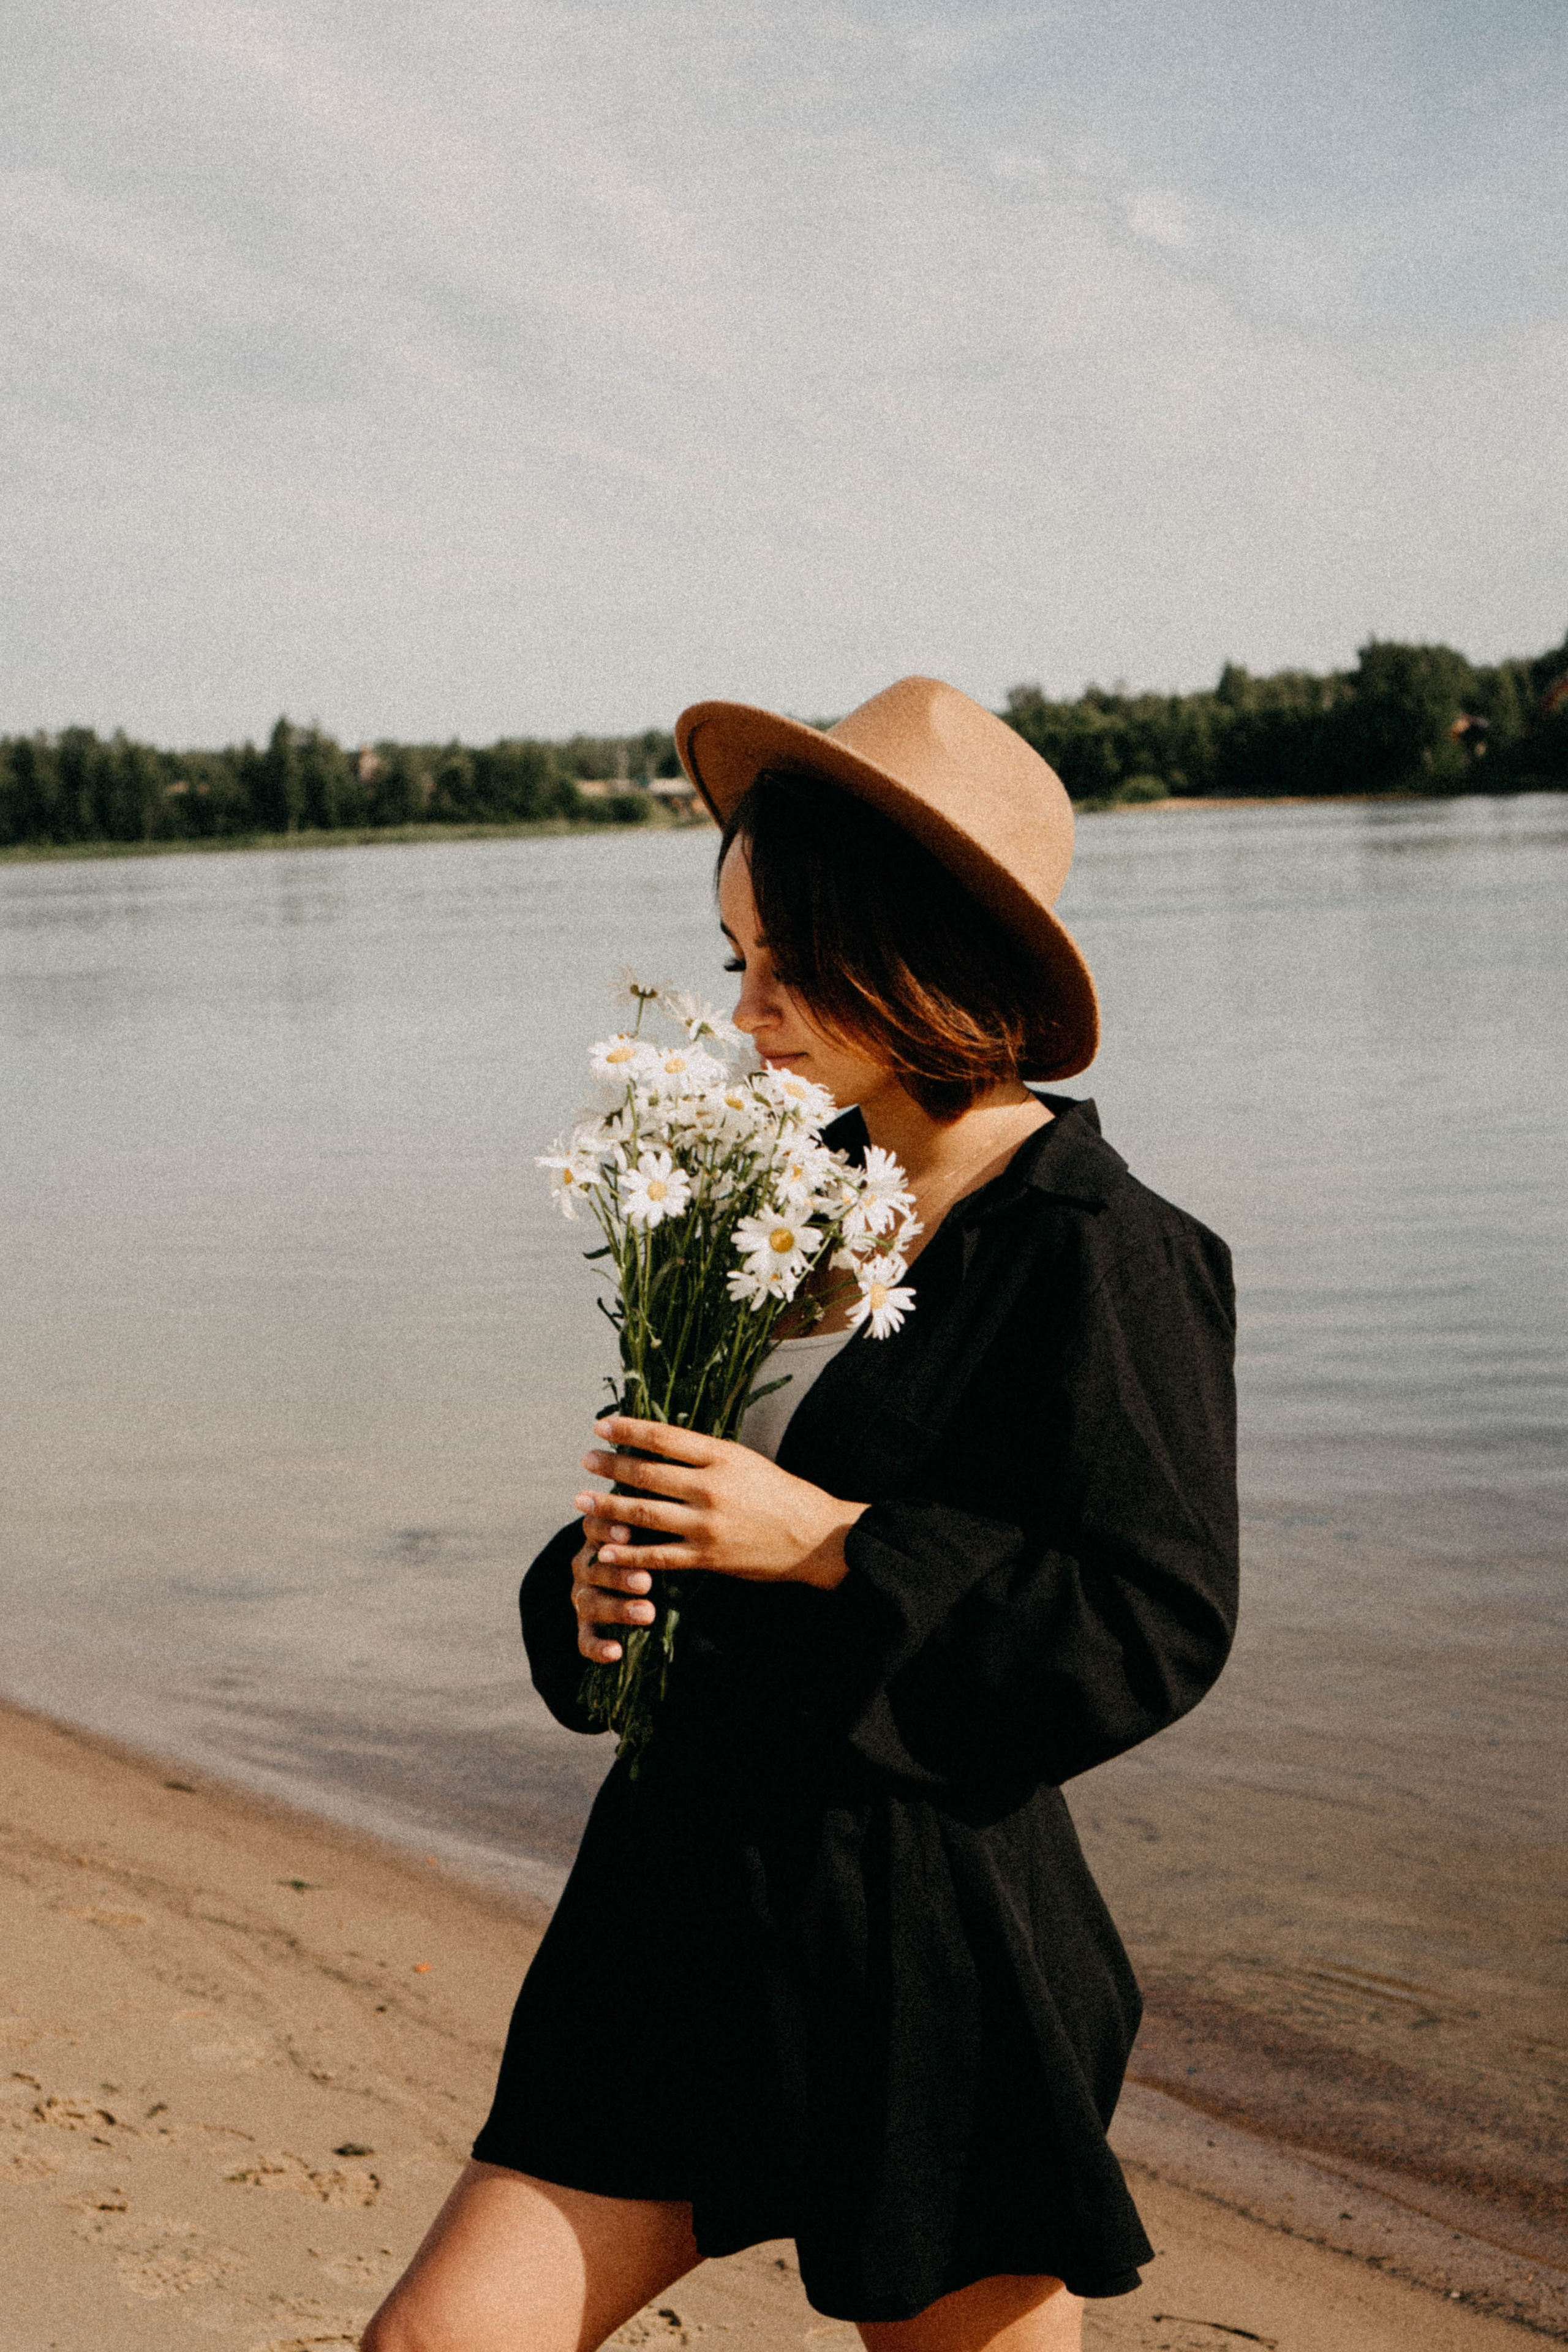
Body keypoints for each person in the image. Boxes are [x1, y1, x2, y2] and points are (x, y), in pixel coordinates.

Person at [363, 677, 1238, 2352]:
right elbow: (689, 1489)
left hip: (923, 1932)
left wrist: (834, 1545)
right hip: (672, 1896)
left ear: (924, 951)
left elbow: (1153, 1620)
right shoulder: (768, 1202)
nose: (752, 1012)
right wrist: (596, 1588)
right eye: (735, 960)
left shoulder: (1102, 1250)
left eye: (793, 962)